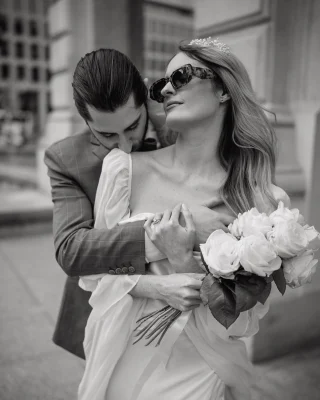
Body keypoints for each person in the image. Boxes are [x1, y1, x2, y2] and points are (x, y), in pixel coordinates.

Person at [78, 39, 291, 399]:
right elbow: (93, 276)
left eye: (180, 75)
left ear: (223, 88)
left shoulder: (263, 201)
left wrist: (181, 260)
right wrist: (158, 284)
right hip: (123, 358)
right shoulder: (124, 171)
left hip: (202, 369)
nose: (167, 89)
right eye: (161, 85)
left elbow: (242, 323)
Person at [44, 48, 233, 359]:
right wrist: (177, 229)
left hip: (190, 327)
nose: (124, 144)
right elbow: (72, 250)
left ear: (145, 94)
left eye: (132, 126)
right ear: (84, 119)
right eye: (106, 134)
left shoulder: (183, 128)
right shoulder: (65, 159)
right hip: (106, 314)